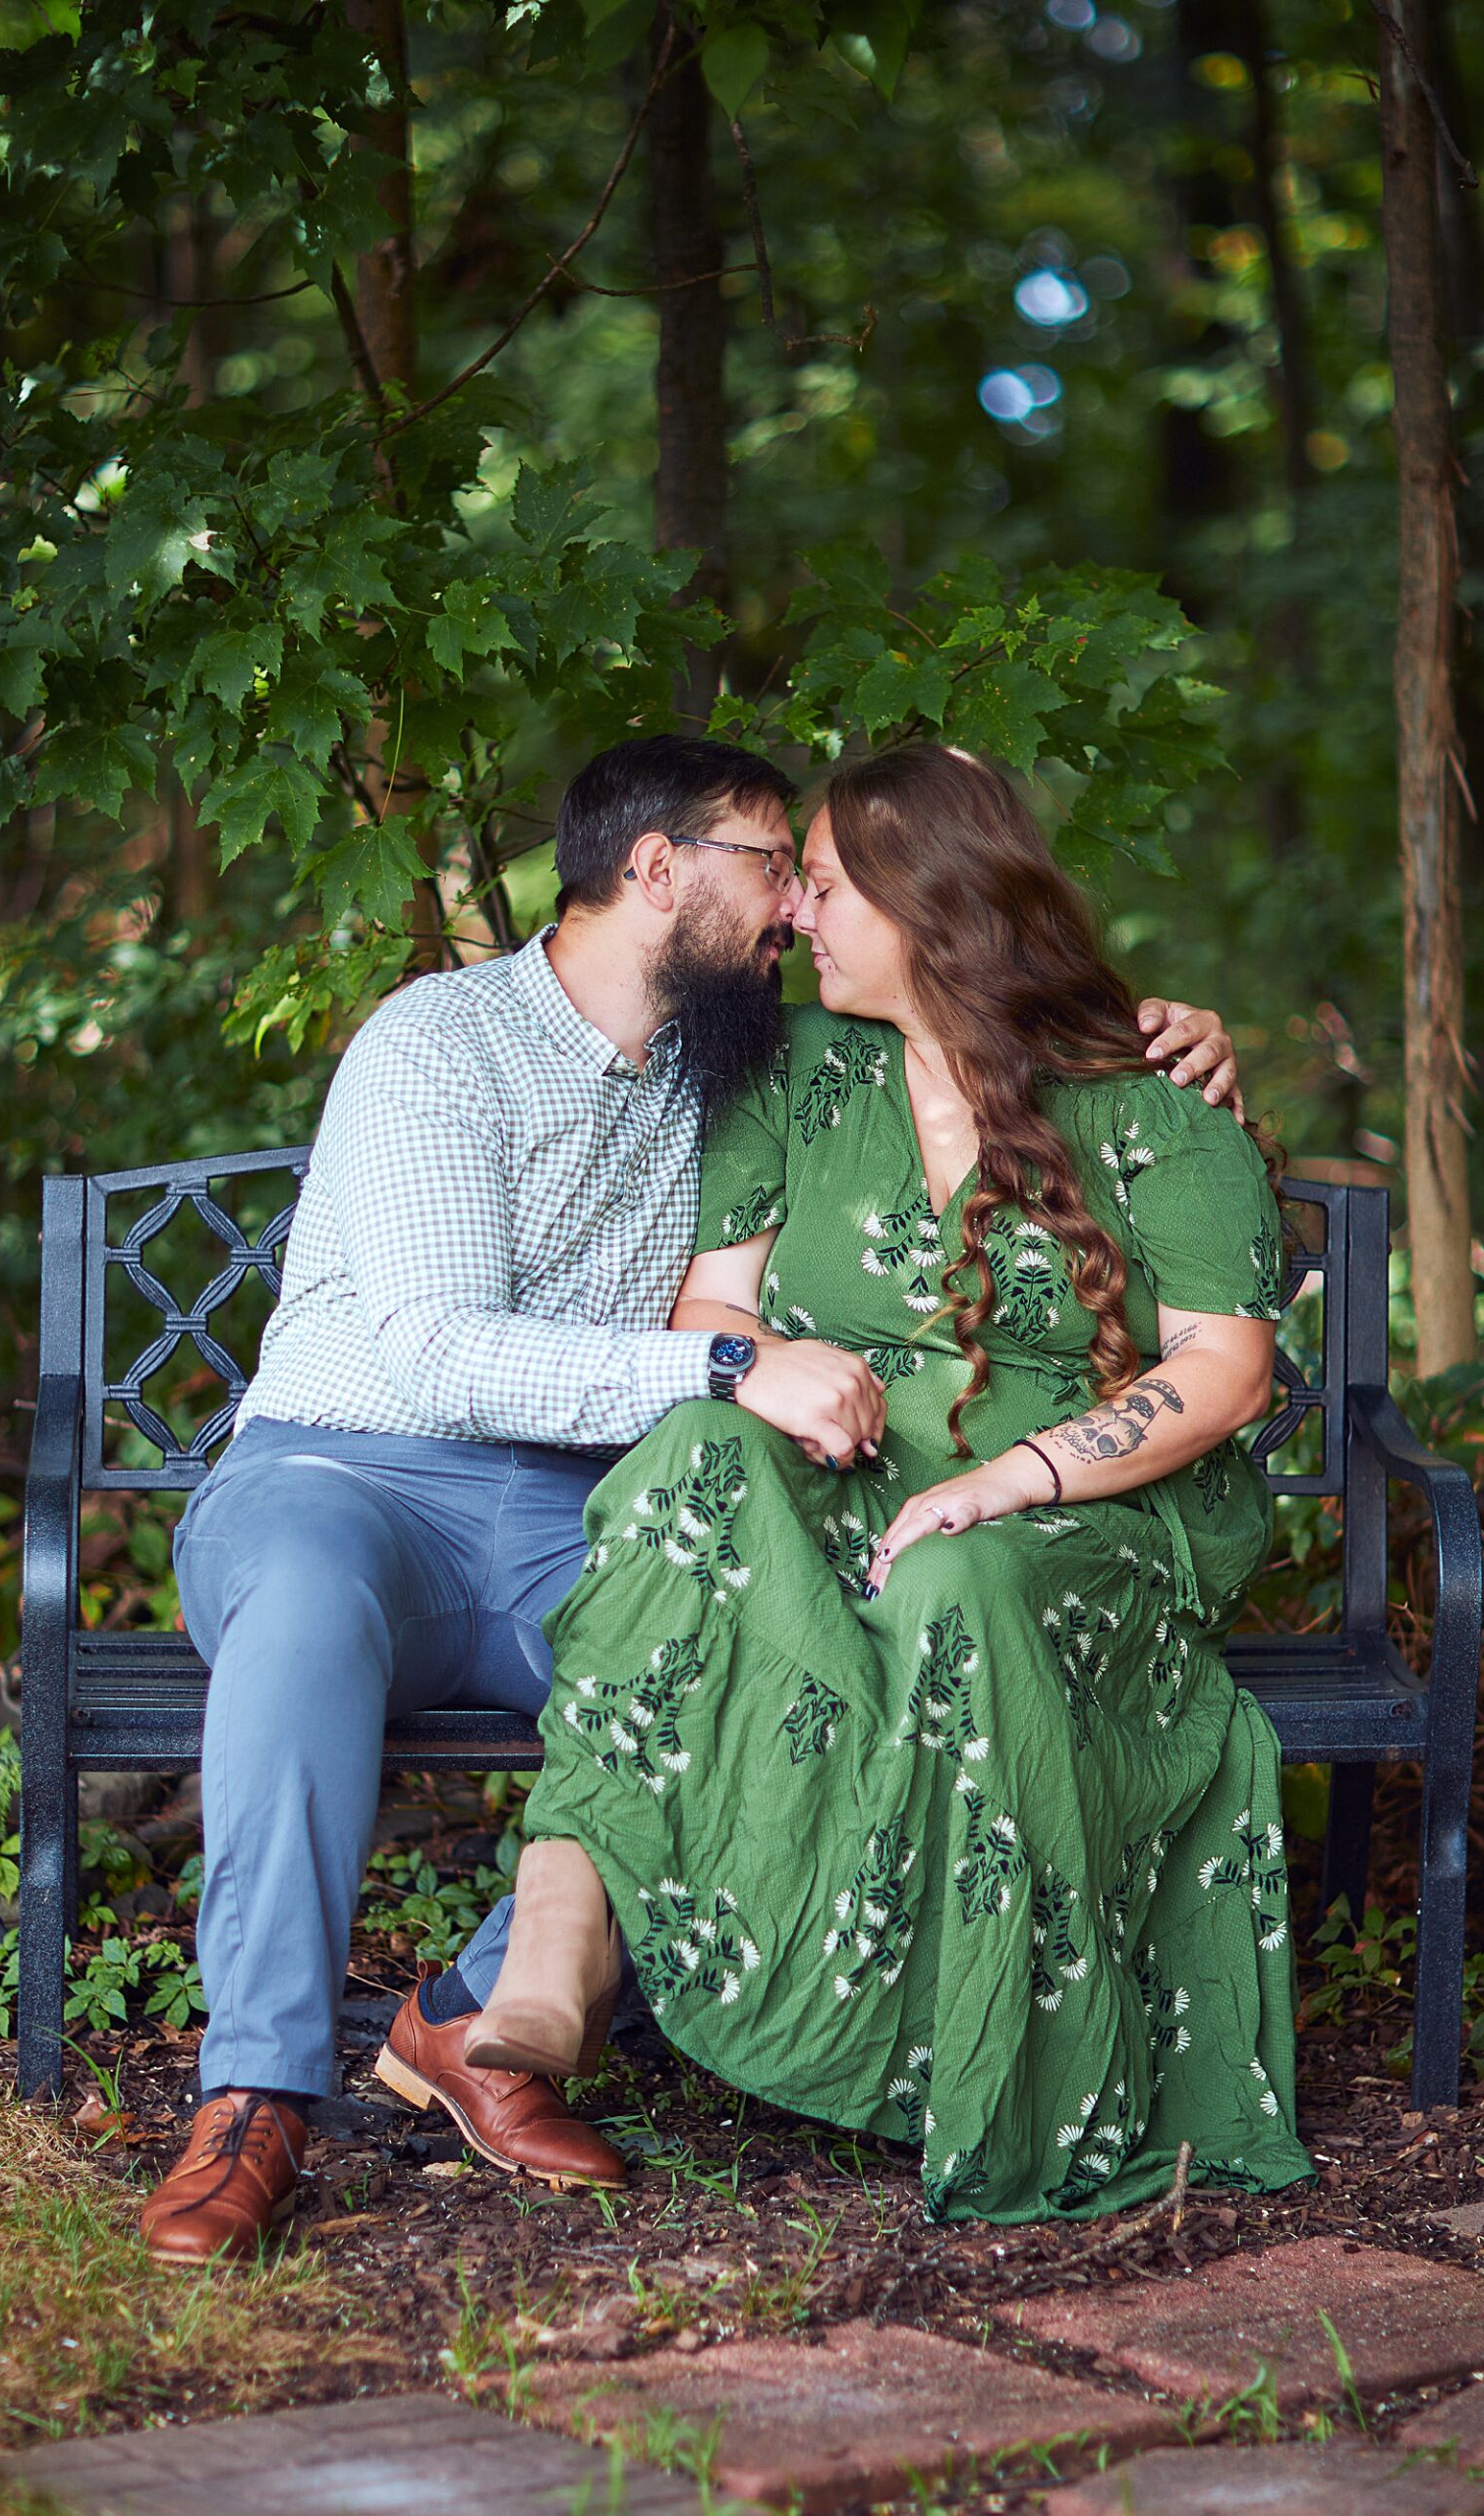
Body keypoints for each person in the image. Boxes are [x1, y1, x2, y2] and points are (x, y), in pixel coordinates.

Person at [138, 733, 1245, 2263]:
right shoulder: (436, 1044)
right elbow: (439, 1355)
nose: (796, 901)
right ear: (656, 870)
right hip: (341, 1474)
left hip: (560, 1514)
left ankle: (473, 2012)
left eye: (811, 874)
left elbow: (975, 1012)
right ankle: (254, 2098)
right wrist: (731, 1370)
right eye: (772, 863)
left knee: (779, 1656)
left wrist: (1160, 1030)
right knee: (311, 1620)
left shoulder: (741, 1063)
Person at [464, 743, 1314, 2225]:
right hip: (845, 1480)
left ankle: (981, 2064)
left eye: (832, 885)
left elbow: (1224, 1375)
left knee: (953, 1571)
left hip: (1088, 1520)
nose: (795, 914)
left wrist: (1012, 1482)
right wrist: (776, 1366)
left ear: (936, 907)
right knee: (697, 1450)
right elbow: (709, 1313)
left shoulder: (1148, 1103)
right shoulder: (796, 1075)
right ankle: (558, 1928)